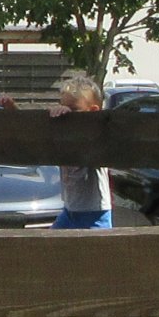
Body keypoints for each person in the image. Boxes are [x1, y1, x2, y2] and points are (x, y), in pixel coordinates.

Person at [49, 70, 111, 230]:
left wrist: (73, 120)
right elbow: (31, 133)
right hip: (69, 211)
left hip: (95, 213)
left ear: (94, 112)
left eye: (73, 109)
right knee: (47, 248)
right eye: (63, 107)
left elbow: (94, 135)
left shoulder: (97, 134)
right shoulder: (63, 135)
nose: (66, 113)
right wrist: (11, 109)